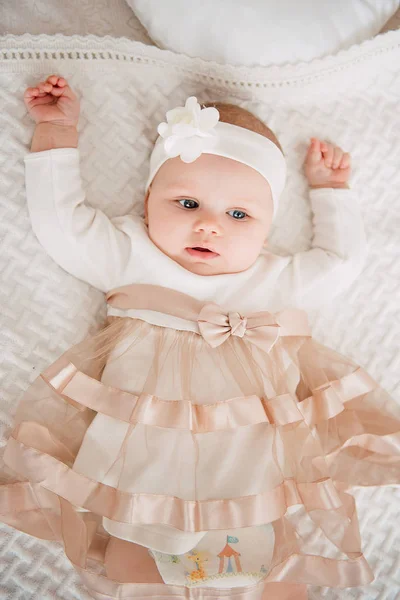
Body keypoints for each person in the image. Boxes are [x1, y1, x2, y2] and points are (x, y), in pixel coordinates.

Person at [1, 74, 399, 600]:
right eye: (186, 204)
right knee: (132, 563)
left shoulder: (272, 279)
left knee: (276, 570)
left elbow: (339, 265)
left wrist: (331, 193)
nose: (209, 226)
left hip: (252, 471)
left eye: (238, 215)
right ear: (147, 201)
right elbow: (62, 224)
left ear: (267, 228)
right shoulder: (130, 253)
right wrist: (58, 132)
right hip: (145, 466)